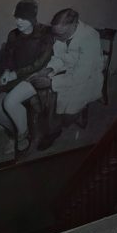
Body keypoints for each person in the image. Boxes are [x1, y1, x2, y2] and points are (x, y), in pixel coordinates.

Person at [30, 8, 104, 150]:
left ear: (74, 24)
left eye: (61, 34)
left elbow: (82, 75)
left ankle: (54, 130)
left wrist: (52, 82)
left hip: (88, 77)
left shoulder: (90, 36)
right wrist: (49, 69)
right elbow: (58, 58)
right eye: (56, 34)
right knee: (47, 94)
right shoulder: (60, 33)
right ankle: (50, 123)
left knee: (61, 101)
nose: (58, 38)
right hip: (70, 71)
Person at [0, 0, 53, 155]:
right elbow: (9, 57)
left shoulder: (45, 33)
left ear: (32, 18)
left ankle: (23, 137)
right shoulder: (13, 35)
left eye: (23, 18)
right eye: (17, 18)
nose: (18, 22)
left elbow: (39, 63)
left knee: (10, 103)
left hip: (35, 77)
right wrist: (6, 71)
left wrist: (14, 73)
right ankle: (15, 134)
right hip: (15, 77)